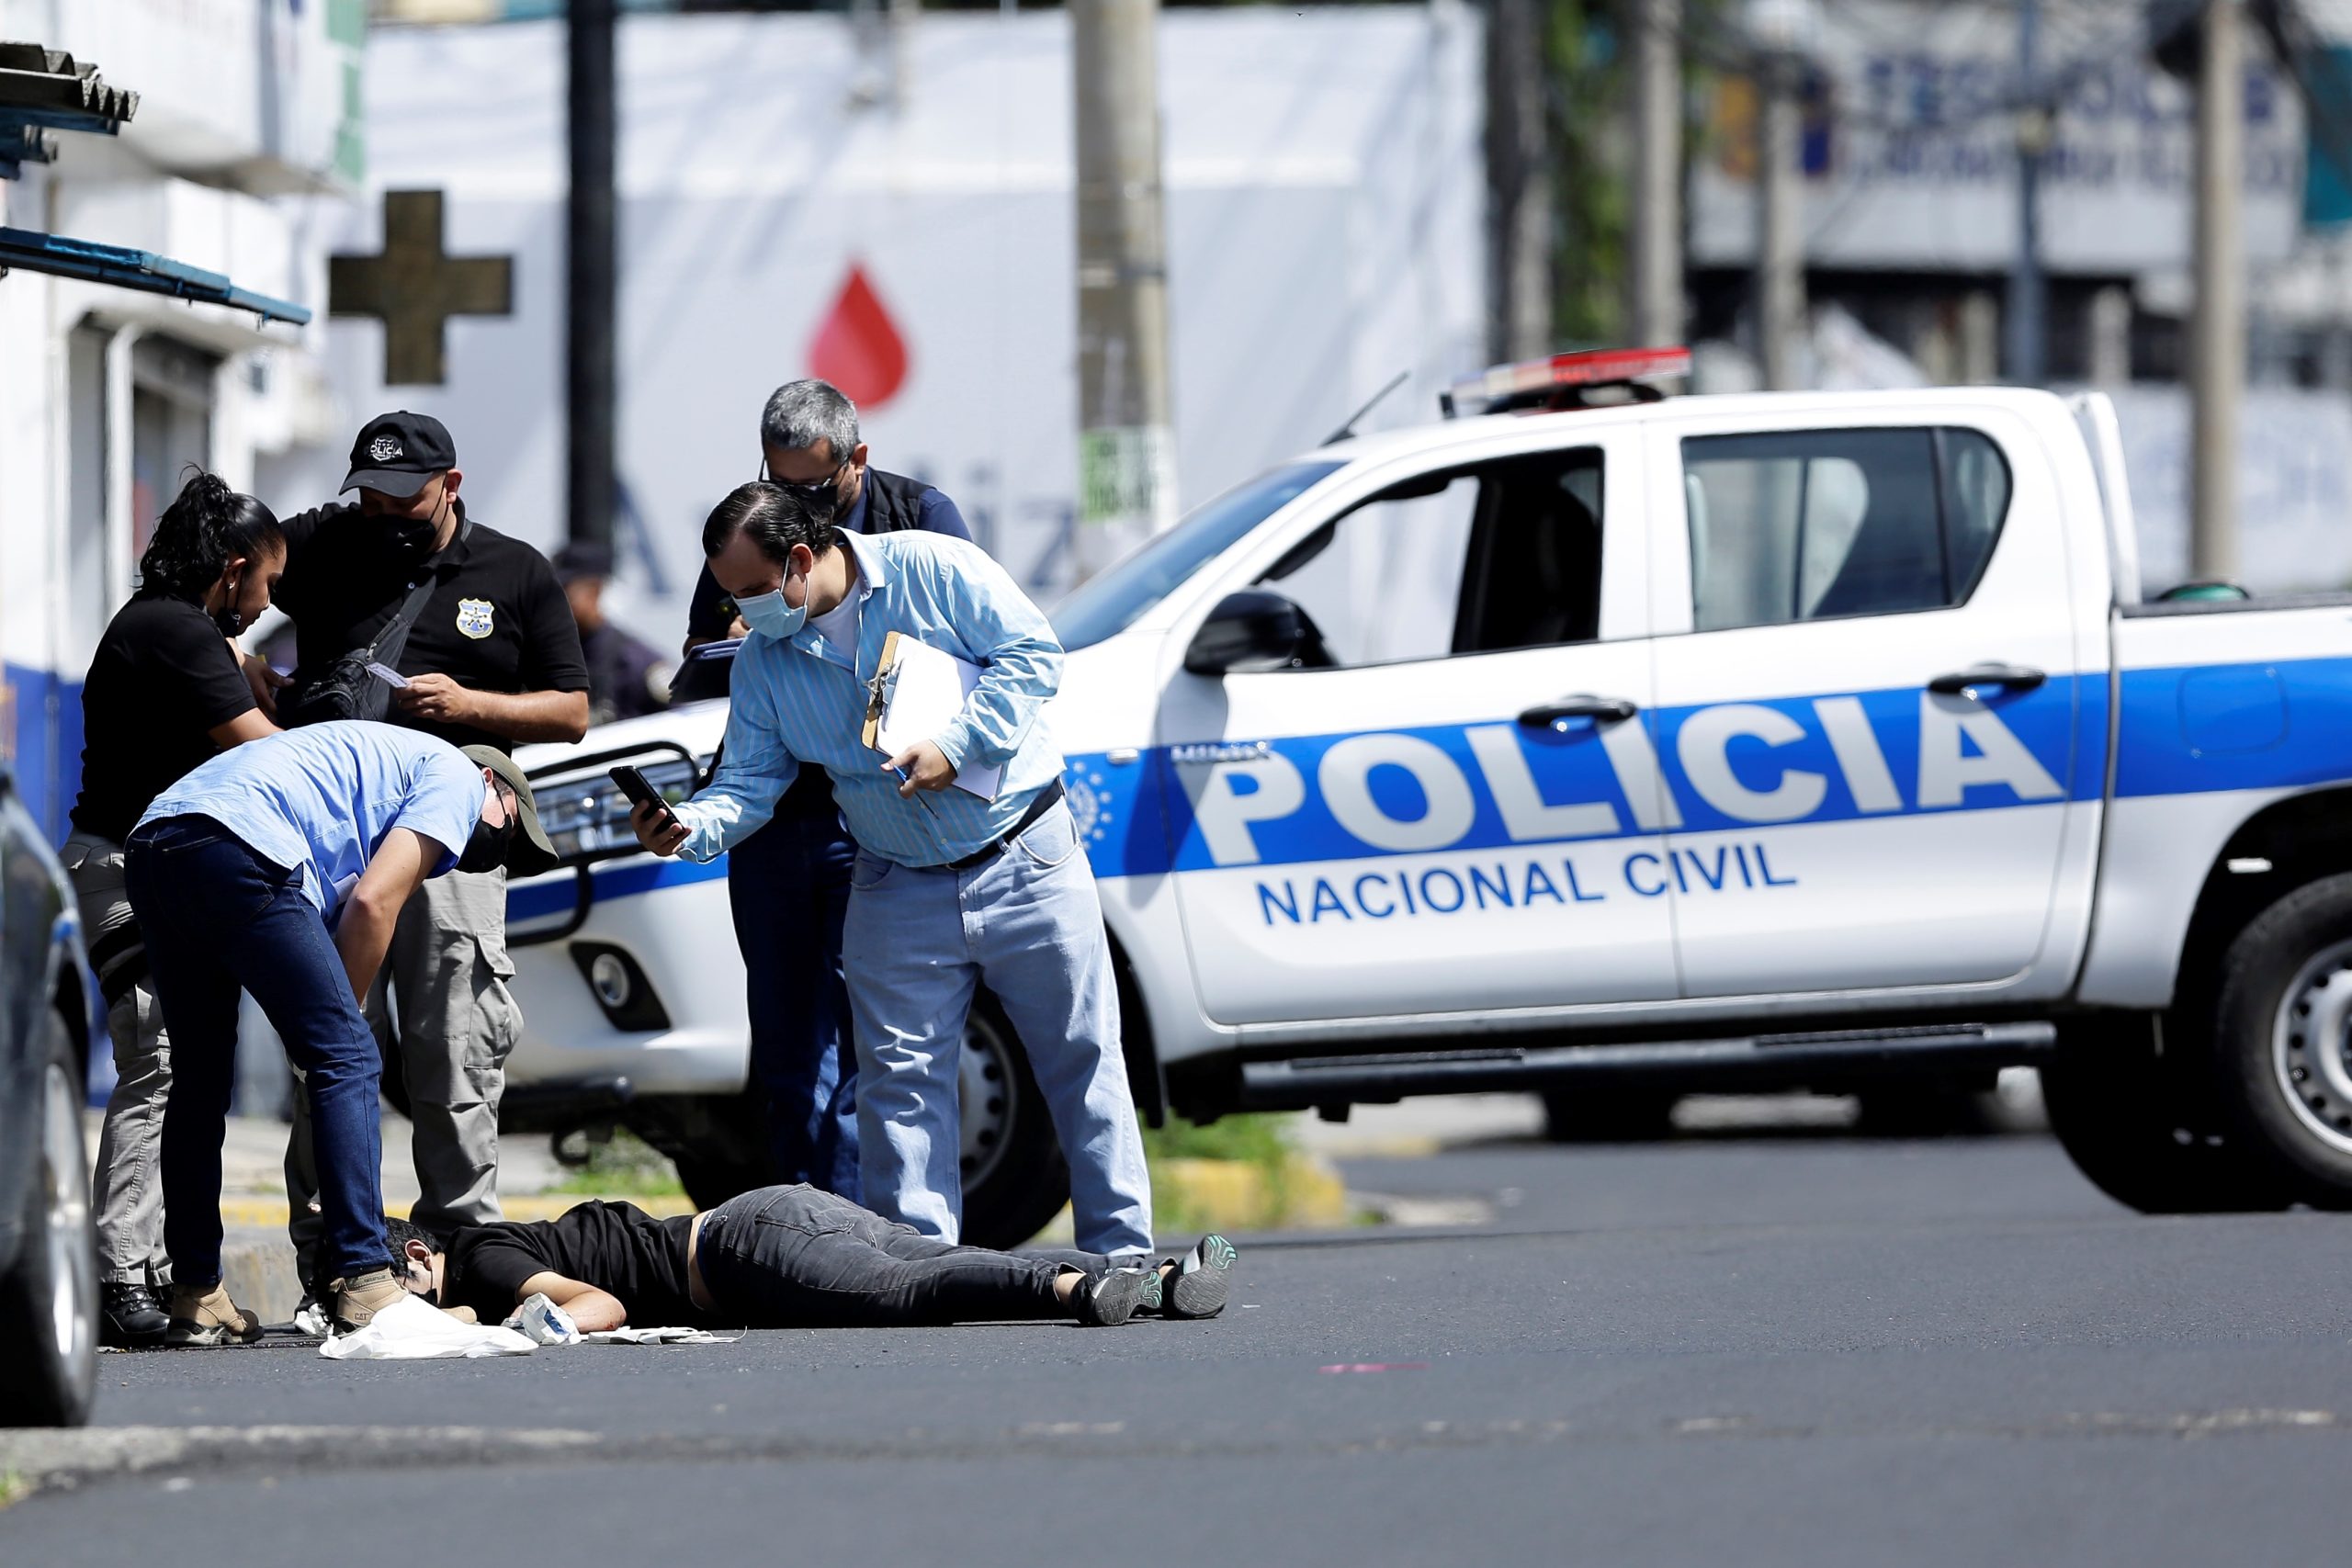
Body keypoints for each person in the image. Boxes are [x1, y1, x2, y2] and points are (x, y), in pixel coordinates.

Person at [631, 482, 1154, 1261]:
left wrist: (959, 741)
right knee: (899, 1088)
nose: (741, 615)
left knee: (1081, 1058)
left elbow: (1033, 656)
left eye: (750, 591)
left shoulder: (934, 567)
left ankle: (1124, 1258)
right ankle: (919, 1269)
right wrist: (689, 826)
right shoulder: (765, 665)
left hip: (1024, 856)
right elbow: (747, 784)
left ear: (800, 560)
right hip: (894, 878)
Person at [267, 411, 590, 1298]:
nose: (384, 513)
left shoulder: (515, 569)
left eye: (403, 498)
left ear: (451, 484)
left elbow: (570, 710)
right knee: (327, 1052)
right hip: (332, 840)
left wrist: (475, 705)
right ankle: (334, 1259)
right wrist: (243, 675)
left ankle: (467, 1257)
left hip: (451, 842)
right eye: (369, 497)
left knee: (453, 1048)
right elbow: (228, 580)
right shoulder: (326, 543)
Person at [123, 721, 560, 1343]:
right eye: (511, 826)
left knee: (200, 1075)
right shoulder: (459, 777)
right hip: (238, 840)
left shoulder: (370, 791)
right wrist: (336, 1034)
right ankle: (364, 1277)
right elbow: (373, 905)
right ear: (494, 785)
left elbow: (344, 917)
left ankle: (197, 1292)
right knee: (350, 1057)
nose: (497, 846)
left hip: (157, 842)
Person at [680, 380, 974, 1202]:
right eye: (779, 485)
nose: (796, 506)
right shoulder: (756, 531)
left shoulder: (920, 520)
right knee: (784, 1044)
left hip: (876, 814)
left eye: (813, 490)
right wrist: (748, 633)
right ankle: (804, 1223)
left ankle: (876, 1227)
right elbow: (700, 659)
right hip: (775, 809)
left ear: (858, 462)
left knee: (874, 1041)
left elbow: (973, 650)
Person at [63, 472, 286, 1347]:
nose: (269, 605)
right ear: (232, 570)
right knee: (154, 1053)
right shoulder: (173, 629)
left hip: (152, 871)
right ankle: (118, 1271)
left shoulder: (177, 627)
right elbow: (265, 754)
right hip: (118, 871)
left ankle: (155, 1262)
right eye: (267, 583)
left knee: (185, 1065)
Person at [386, 1197, 1235, 1332]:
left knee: (916, 1287)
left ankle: (1081, 1289)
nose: (401, 1307)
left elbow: (597, 1306)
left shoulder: (486, 1266)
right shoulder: (496, 1239)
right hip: (766, 1212)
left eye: (398, 1289)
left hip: (740, 1253)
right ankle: (1158, 1275)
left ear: (422, 1254)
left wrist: (466, 1325)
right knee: (952, 1255)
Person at [555, 539, 671, 725]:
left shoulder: (635, 661)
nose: (555, 602)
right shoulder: (552, 656)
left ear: (595, 590)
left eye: (564, 592)